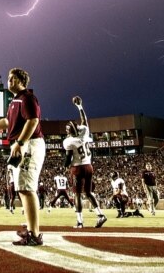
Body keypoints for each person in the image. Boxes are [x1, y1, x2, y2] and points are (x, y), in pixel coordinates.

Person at [0, 68, 45, 246]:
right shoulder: (15, 100)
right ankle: (31, 229)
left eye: (12, 78)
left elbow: (33, 120)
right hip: (24, 144)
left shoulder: (27, 97)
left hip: (29, 143)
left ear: (21, 80)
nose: (9, 81)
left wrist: (20, 143)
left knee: (27, 189)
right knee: (23, 188)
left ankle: (34, 234)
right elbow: (7, 122)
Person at [63, 96, 106, 228]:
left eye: (67, 129)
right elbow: (84, 120)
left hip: (78, 168)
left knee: (77, 194)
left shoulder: (69, 141)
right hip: (88, 166)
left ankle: (80, 222)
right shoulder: (84, 133)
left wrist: (65, 166)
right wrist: (80, 106)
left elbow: (69, 157)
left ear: (70, 132)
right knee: (88, 193)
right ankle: (100, 215)